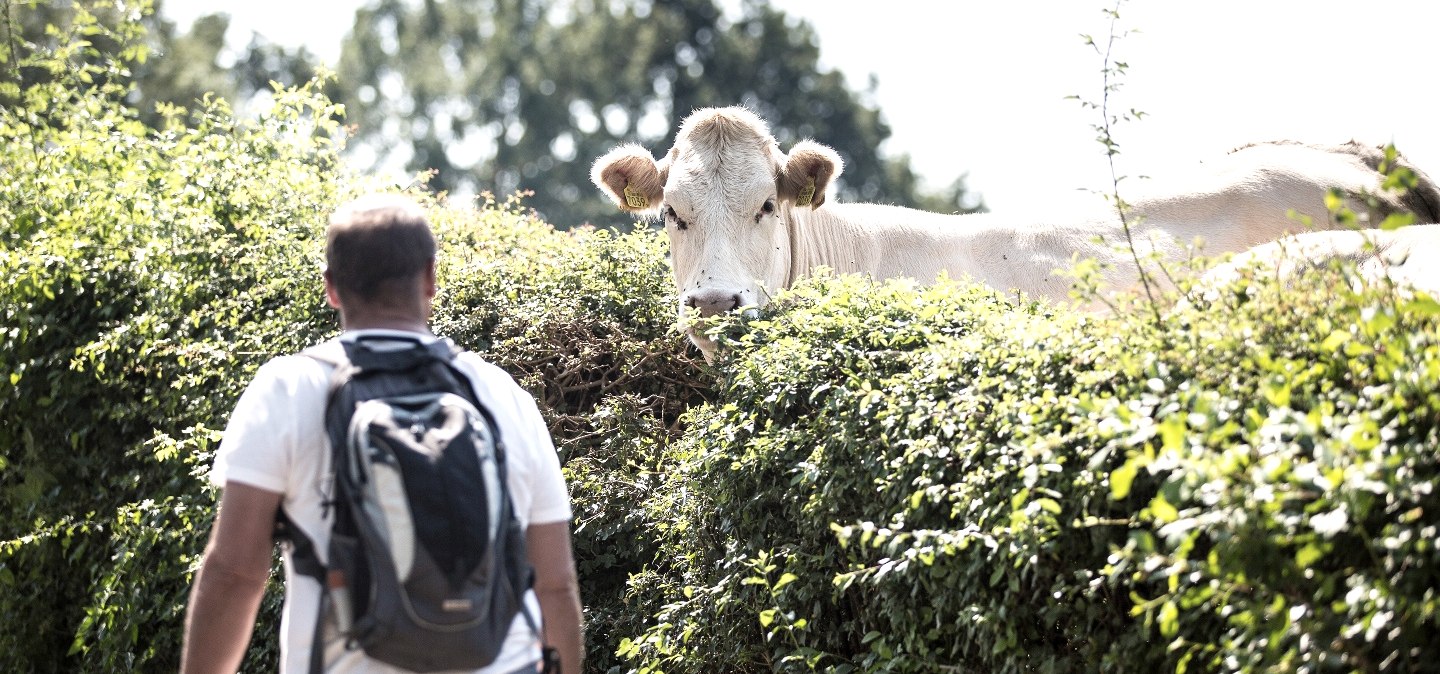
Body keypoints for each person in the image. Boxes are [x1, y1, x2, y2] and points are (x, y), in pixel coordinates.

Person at [181, 193, 583, 674]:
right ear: (431, 279)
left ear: (331, 288)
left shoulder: (288, 388)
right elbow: (555, 583)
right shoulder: (500, 394)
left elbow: (235, 574)